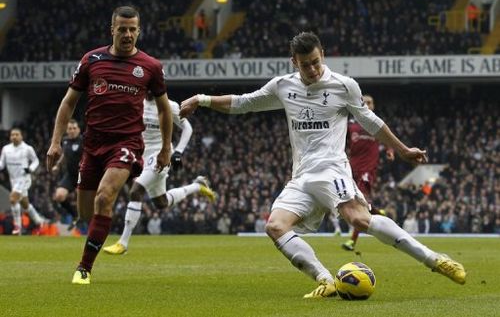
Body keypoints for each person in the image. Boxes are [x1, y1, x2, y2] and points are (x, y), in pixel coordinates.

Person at [180, 32, 466, 298]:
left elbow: (371, 122)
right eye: (306, 65)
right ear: (294, 62)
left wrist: (402, 150)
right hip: (301, 176)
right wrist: (201, 99)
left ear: (323, 55)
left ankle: (436, 260)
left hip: (332, 170)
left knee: (359, 219)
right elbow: (244, 102)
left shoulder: (343, 86)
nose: (313, 69)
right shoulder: (283, 86)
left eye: (316, 62)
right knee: (275, 226)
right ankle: (326, 280)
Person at [46, 5, 173, 285]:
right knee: (85, 213)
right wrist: (55, 142)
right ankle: (97, 233)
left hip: (126, 144)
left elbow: (164, 109)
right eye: (122, 29)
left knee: (105, 197)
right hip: (93, 145)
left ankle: (84, 268)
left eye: (132, 29)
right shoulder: (92, 60)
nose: (127, 34)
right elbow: (69, 102)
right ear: (112, 29)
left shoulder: (150, 67)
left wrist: (165, 148)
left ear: (139, 31)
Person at [102, 96, 216, 255]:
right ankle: (197, 186)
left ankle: (123, 243)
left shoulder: (169, 105)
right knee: (161, 202)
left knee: (136, 191)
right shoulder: (136, 102)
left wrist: (178, 152)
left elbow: (187, 128)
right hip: (141, 156)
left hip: (161, 156)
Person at [341, 94, 395, 251]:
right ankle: (378, 212)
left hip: (368, 169)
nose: (367, 104)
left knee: (360, 202)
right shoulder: (350, 125)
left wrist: (390, 150)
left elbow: (388, 138)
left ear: (374, 105)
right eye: (364, 102)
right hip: (351, 169)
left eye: (370, 102)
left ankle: (352, 240)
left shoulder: (376, 125)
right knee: (352, 202)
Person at [0, 127, 45, 235]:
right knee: (25, 204)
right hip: (13, 180)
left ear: (21, 136)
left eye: (17, 134)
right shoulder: (6, 149)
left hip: (24, 179)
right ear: (10, 137)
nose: (14, 136)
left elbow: (36, 161)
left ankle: (17, 227)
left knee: (12, 199)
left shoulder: (27, 148)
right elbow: (1, 164)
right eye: (12, 135)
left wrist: (30, 169)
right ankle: (39, 221)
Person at [50, 119, 83, 229]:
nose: (72, 131)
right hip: (70, 175)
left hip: (83, 175)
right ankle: (75, 216)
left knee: (82, 199)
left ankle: (86, 221)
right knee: (59, 196)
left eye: (74, 128)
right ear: (67, 130)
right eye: (70, 128)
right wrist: (58, 166)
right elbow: (64, 155)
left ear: (78, 130)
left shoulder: (84, 141)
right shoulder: (65, 141)